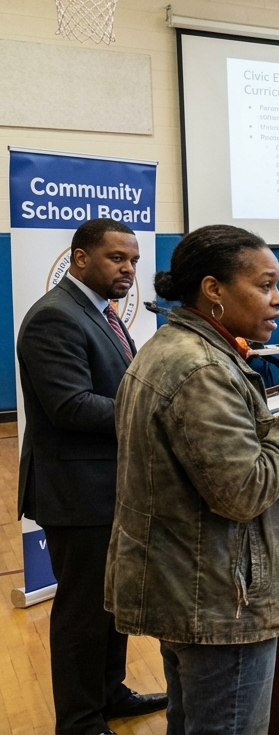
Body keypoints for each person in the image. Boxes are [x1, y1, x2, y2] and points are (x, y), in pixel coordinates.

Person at [107, 224, 279, 733]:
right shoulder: (204, 367)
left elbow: (199, 457)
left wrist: (275, 435)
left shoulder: (174, 347)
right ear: (214, 290)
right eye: (265, 285)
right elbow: (243, 493)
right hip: (221, 600)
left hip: (191, 583)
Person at [16, 218, 167, 734]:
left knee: (112, 601)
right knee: (83, 612)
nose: (128, 268)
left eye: (133, 260)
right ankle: (79, 721)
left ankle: (109, 693)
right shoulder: (55, 317)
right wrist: (157, 411)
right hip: (76, 492)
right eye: (116, 258)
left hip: (110, 488)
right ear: (80, 258)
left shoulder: (100, 311)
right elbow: (71, 406)